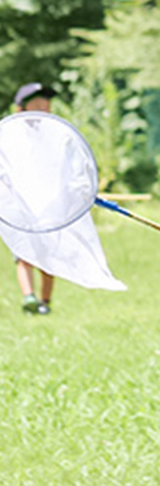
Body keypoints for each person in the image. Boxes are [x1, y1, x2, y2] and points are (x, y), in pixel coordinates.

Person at [11, 83, 58, 315]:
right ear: (21, 109)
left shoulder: (56, 138)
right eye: (36, 102)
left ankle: (45, 302)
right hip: (21, 206)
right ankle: (29, 297)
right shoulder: (11, 137)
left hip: (49, 207)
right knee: (24, 254)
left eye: (45, 103)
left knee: (48, 258)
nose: (43, 106)